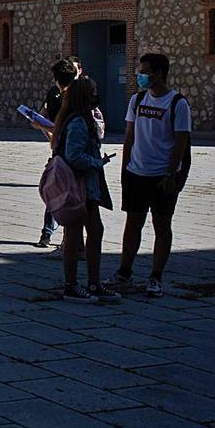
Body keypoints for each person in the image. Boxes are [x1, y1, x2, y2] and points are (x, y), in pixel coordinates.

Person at [109, 54, 191, 299]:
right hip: (136, 173)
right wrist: (125, 169)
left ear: (158, 73)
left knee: (161, 225)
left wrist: (171, 174)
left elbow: (180, 143)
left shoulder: (177, 103)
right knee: (132, 223)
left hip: (161, 176)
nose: (140, 76)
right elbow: (130, 136)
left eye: (144, 71)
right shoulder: (137, 100)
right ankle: (124, 271)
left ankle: (156, 277)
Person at [52, 77, 121, 303]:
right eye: (92, 92)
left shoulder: (77, 120)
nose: (95, 96)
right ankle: (72, 285)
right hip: (79, 186)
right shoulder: (79, 123)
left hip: (85, 187)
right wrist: (97, 162)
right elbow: (74, 156)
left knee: (94, 231)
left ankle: (93, 282)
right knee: (74, 235)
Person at [34, 58, 78, 249]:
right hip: (62, 150)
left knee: (65, 192)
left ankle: (71, 241)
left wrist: (49, 130)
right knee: (57, 190)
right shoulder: (55, 94)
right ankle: (50, 233)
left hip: (71, 152)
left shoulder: (79, 95)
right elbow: (44, 114)